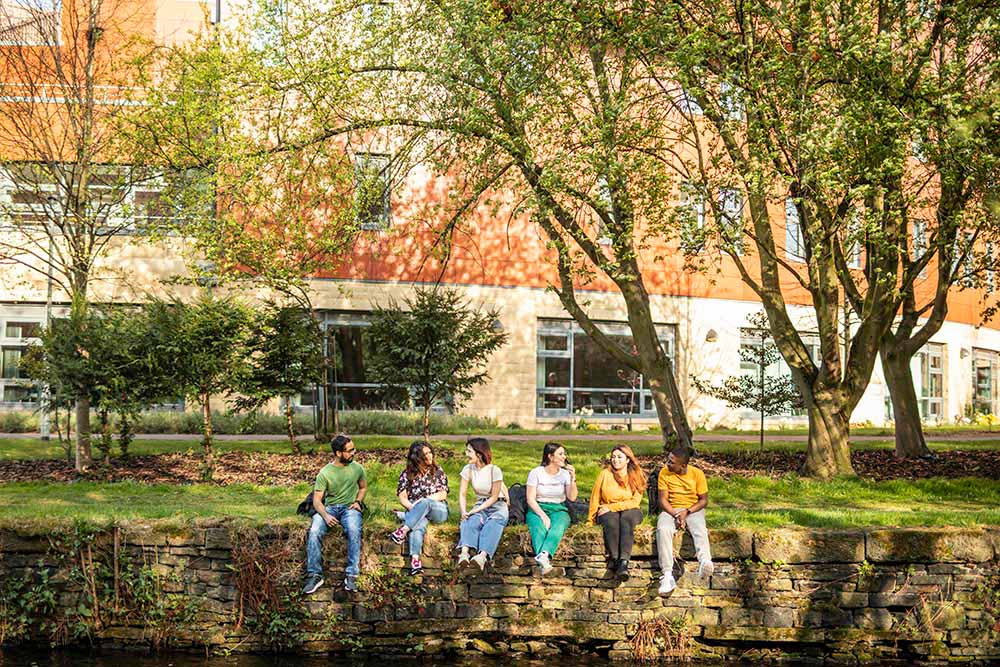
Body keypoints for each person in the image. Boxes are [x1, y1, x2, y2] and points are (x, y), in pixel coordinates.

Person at [304, 434, 367, 594]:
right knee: (315, 530)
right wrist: (325, 516)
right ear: (339, 453)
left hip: (349, 508)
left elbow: (363, 487)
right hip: (330, 508)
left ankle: (352, 575)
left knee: (353, 529)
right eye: (350, 450)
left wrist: (358, 502)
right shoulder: (325, 473)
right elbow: (317, 501)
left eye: (354, 449)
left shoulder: (358, 468)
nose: (354, 452)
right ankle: (315, 575)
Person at [656, 445, 714, 595]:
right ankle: (667, 575)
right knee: (663, 529)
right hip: (671, 509)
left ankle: (705, 562)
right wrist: (676, 514)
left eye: (671, 462)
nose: (667, 463)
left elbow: (703, 500)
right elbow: (663, 500)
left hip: (692, 509)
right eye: (668, 460)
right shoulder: (664, 472)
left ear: (682, 465)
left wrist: (687, 512)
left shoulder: (697, 474)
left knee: (699, 528)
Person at [390, 440, 450, 575]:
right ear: (417, 458)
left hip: (438, 509)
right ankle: (415, 560)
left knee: (425, 503)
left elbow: (443, 494)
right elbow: (402, 497)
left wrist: (423, 502)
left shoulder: (437, 471)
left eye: (430, 452)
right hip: (416, 510)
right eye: (425, 454)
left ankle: (403, 528)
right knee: (418, 524)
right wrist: (414, 508)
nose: (430, 456)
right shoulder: (406, 474)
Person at [588, 445, 645, 580]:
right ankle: (615, 559)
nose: (615, 460)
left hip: (630, 509)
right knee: (611, 521)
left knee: (626, 520)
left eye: (619, 457)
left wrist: (613, 507)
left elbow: (635, 502)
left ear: (628, 460)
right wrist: (590, 520)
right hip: (607, 509)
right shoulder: (605, 474)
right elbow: (595, 497)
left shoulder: (636, 475)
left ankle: (624, 561)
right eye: (613, 457)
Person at [525, 442, 578, 575]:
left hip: (558, 508)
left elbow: (571, 497)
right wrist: (543, 515)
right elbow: (530, 499)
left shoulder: (565, 474)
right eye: (560, 454)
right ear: (550, 456)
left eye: (564, 454)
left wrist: (573, 479)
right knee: (538, 527)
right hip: (538, 507)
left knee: (558, 527)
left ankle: (544, 555)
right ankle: (544, 561)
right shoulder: (536, 473)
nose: (564, 457)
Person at [457, 437, 508, 571]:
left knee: (493, 524)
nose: (466, 454)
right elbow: (462, 493)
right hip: (481, 502)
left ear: (479, 454)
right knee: (470, 521)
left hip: (498, 504)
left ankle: (482, 557)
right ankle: (464, 554)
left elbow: (494, 497)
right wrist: (464, 511)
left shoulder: (494, 470)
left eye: (469, 451)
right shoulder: (468, 469)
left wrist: (476, 509)